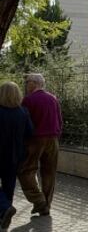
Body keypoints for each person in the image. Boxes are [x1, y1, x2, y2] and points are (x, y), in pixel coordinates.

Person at [18, 74, 63, 216]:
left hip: (35, 140)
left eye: (27, 82)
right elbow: (60, 120)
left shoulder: (28, 100)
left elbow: (23, 122)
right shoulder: (53, 98)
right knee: (49, 172)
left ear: (34, 83)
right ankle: (46, 205)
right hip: (53, 139)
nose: (26, 85)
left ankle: (39, 200)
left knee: (25, 170)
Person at [0, 82, 33, 230]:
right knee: (9, 185)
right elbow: (30, 133)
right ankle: (4, 216)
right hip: (16, 156)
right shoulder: (23, 112)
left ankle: (5, 207)